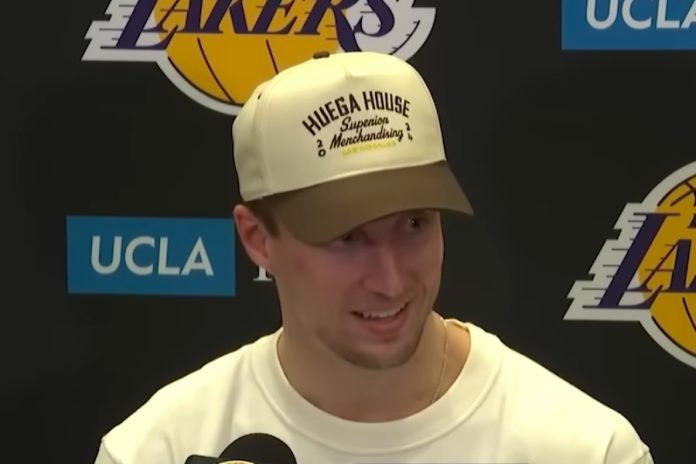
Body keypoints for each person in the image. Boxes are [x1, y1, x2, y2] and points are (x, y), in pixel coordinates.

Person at [93, 51, 654, 464]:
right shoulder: (159, 449)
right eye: (345, 237)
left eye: (413, 224)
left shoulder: (587, 450)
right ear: (257, 238)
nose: (390, 280)